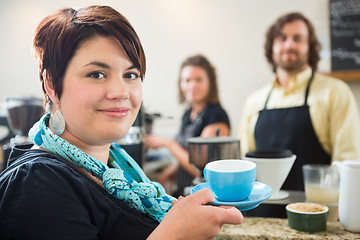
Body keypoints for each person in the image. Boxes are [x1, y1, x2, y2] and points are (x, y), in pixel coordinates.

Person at [0, 6, 242, 239]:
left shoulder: (120, 170)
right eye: (96, 74)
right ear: (52, 84)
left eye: (130, 75)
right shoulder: (35, 184)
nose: (120, 91)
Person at [239, 12, 360, 192]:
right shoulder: (254, 101)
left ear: (310, 47)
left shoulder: (335, 92)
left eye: (298, 38)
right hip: (259, 213)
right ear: (271, 47)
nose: (289, 44)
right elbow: (244, 163)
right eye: (282, 38)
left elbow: (347, 161)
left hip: (314, 213)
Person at [145, 54, 231, 197]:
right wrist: (169, 173)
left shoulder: (216, 116)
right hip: (184, 194)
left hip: (204, 198)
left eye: (198, 80)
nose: (192, 85)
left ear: (210, 83)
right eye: (187, 80)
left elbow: (201, 170)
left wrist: (169, 144)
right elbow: (185, 157)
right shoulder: (188, 115)